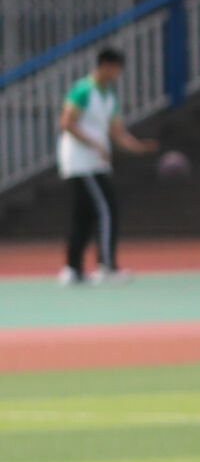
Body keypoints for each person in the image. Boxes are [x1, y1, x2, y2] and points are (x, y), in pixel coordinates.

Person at [56, 46, 156, 285]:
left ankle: (72, 269)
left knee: (84, 215)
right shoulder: (83, 90)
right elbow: (66, 122)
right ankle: (106, 267)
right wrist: (94, 144)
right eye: (115, 68)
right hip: (81, 163)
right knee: (107, 209)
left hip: (96, 164)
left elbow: (115, 132)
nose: (116, 74)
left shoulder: (109, 96)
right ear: (104, 66)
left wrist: (137, 146)